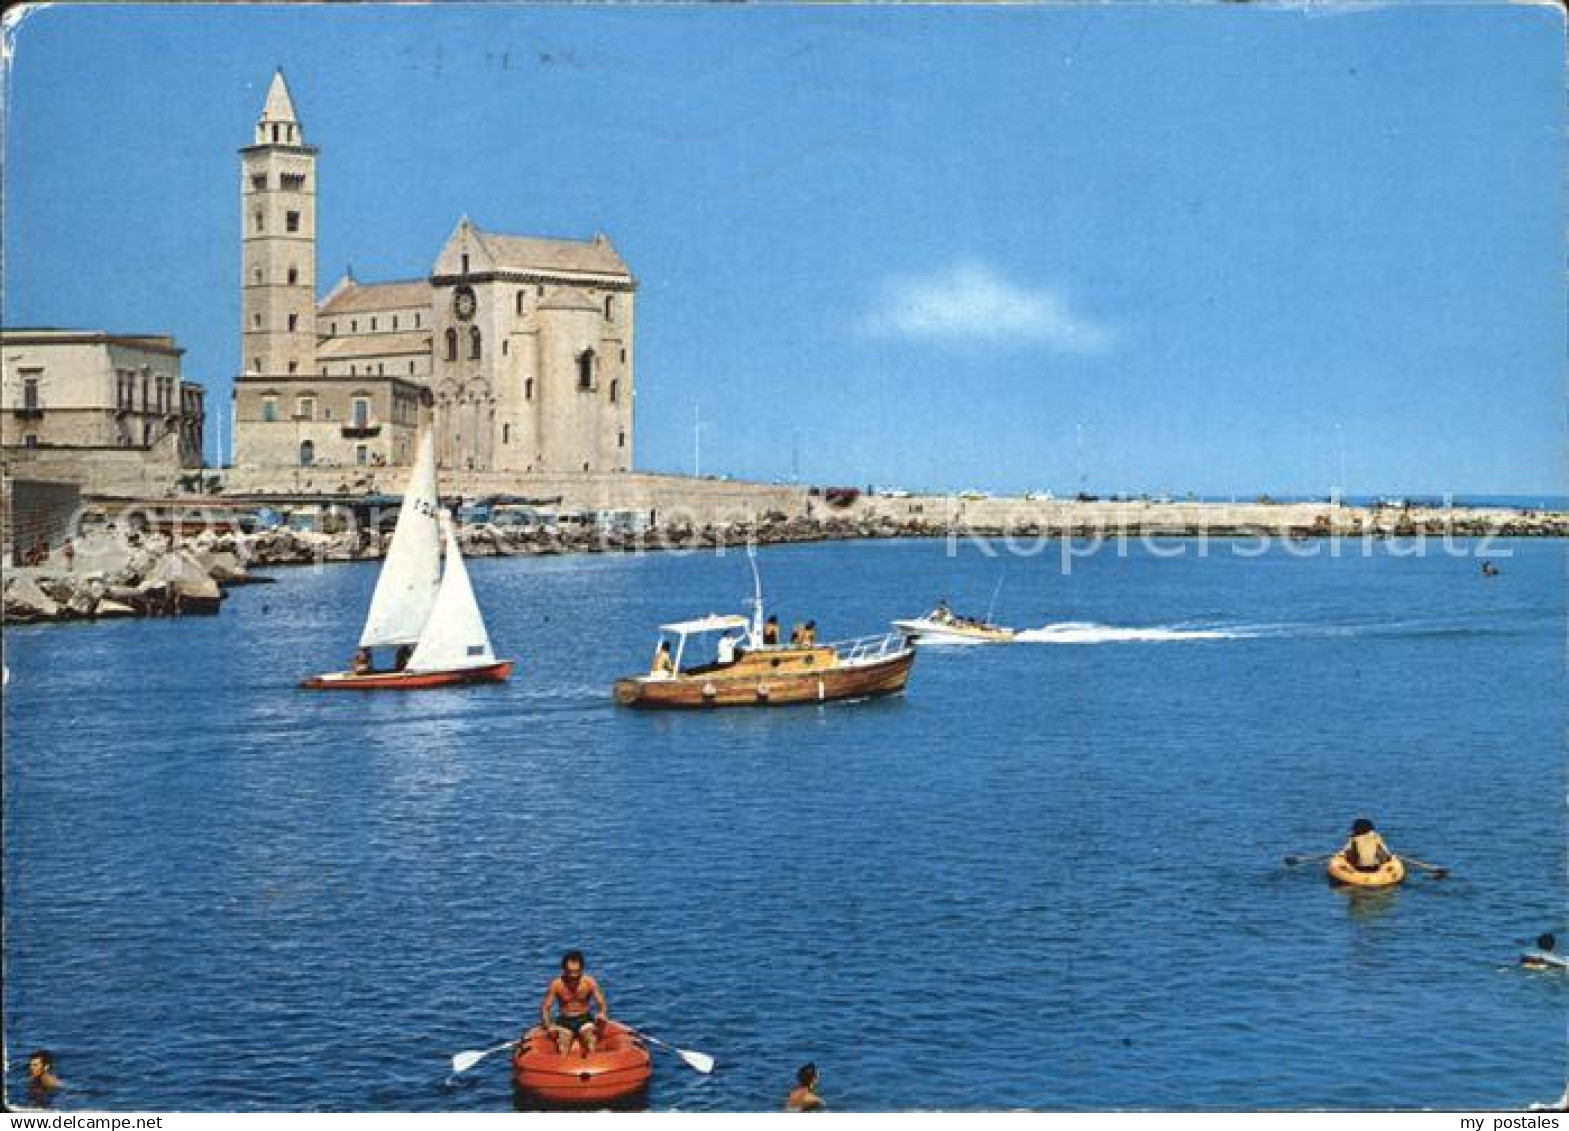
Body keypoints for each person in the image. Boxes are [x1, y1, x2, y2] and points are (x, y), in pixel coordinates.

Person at [540, 950, 609, 1056]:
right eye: (570, 971)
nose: (573, 975)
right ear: (564, 970)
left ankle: (592, 1067)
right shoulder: (557, 984)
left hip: (584, 1019)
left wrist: (602, 1013)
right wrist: (548, 1025)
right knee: (563, 1046)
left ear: (582, 969)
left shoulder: (589, 982)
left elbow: (601, 1003)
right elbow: (546, 1007)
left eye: (577, 971)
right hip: (565, 1021)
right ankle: (562, 1069)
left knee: (590, 1041)